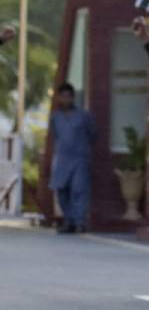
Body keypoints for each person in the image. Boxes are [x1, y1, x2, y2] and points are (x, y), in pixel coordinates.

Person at [47, 83, 95, 234]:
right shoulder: (55, 117)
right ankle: (69, 221)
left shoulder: (83, 116)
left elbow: (93, 134)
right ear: (59, 98)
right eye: (63, 96)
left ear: (73, 98)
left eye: (68, 96)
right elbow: (55, 136)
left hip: (79, 158)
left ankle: (80, 222)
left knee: (78, 189)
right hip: (62, 159)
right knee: (62, 190)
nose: (65, 99)